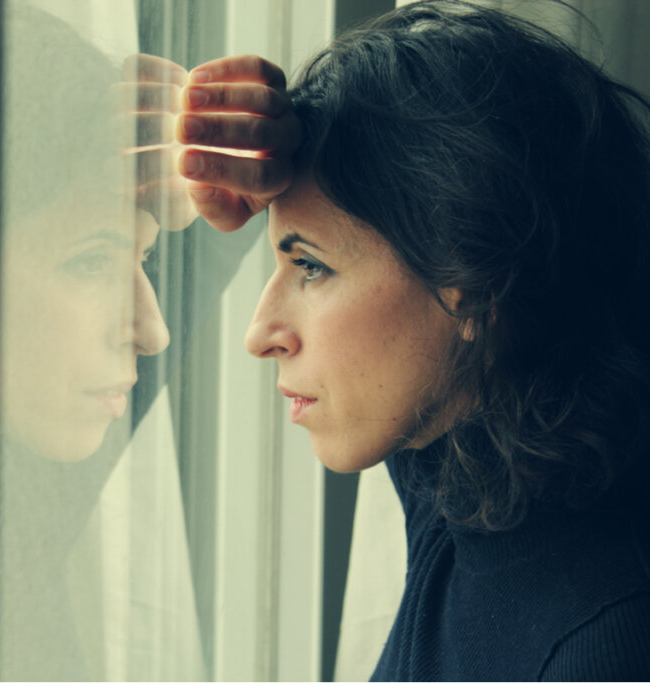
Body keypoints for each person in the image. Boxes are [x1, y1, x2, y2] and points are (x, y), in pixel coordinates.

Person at [175, 0, 650, 678]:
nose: (261, 334)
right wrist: (217, 172)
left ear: (473, 281)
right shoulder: (471, 479)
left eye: (311, 265)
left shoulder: (605, 644)